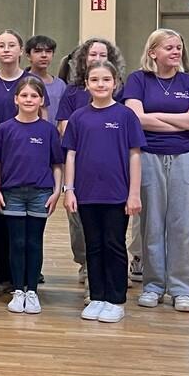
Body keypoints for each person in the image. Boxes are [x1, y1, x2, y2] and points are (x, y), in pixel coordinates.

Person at [124, 29, 189, 313]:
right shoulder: (138, 80)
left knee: (182, 224)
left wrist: (156, 117)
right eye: (169, 47)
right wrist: (180, 120)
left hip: (185, 156)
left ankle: (181, 288)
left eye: (178, 47)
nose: (176, 52)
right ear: (153, 52)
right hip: (149, 156)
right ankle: (153, 285)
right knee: (152, 223)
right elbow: (136, 118)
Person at [64, 62, 144, 325]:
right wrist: (69, 190)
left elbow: (134, 155)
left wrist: (134, 194)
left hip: (117, 194)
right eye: (95, 79)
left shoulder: (125, 116)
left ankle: (115, 299)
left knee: (114, 244)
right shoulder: (78, 117)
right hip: (86, 194)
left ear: (115, 83)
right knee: (93, 245)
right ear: (86, 84)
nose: (100, 84)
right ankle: (97, 296)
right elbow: (71, 155)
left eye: (106, 79)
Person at [55, 38, 131, 290]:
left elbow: (130, 144)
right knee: (85, 233)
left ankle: (113, 285)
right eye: (92, 54)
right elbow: (67, 135)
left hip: (114, 179)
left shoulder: (121, 101)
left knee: (113, 237)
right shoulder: (73, 97)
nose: (97, 58)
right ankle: (90, 274)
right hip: (82, 176)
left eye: (103, 54)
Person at [0, 77, 64, 315]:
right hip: (12, 193)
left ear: (42, 100)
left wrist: (57, 191)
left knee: (34, 242)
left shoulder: (49, 130)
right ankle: (18, 290)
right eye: (24, 95)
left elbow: (57, 164)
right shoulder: (4, 129)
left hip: (40, 193)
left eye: (34, 96)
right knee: (17, 242)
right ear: (16, 99)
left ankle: (32, 290)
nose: (29, 99)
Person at [0, 29, 28, 124]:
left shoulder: (32, 81)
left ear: (21, 50)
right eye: (1, 46)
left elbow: (42, 114)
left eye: (12, 45)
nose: (6, 50)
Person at [26, 35, 66, 123]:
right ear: (28, 56)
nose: (44, 55)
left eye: (48, 51)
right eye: (38, 51)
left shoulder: (60, 85)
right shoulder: (21, 82)